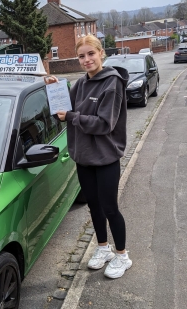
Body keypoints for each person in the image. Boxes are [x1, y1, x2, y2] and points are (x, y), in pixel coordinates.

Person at [44, 35, 130, 279]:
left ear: (101, 53)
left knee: (110, 208)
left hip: (106, 158)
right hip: (84, 158)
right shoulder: (80, 84)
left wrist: (71, 117)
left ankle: (123, 256)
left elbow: (104, 124)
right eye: (81, 56)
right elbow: (65, 114)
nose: (86, 59)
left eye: (91, 54)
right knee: (93, 206)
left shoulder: (112, 84)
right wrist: (55, 91)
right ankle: (103, 248)